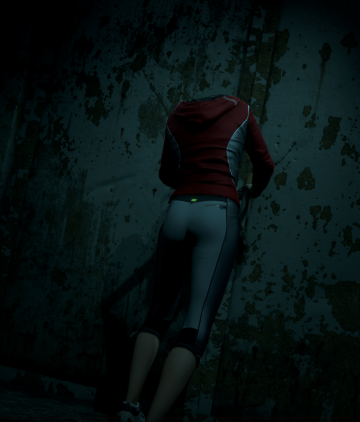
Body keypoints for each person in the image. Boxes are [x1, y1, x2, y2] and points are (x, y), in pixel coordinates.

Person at [114, 94, 274, 422]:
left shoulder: (177, 114)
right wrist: (251, 190)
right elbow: (265, 164)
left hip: (178, 211)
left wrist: (191, 177)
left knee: (157, 317)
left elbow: (167, 173)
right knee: (195, 327)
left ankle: (128, 407)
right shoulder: (242, 110)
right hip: (218, 212)